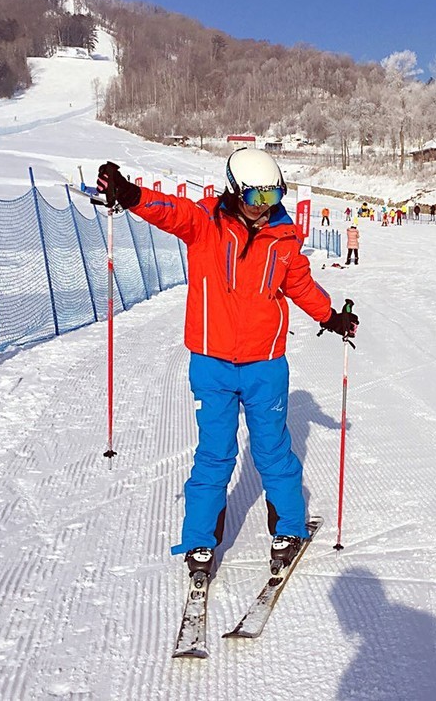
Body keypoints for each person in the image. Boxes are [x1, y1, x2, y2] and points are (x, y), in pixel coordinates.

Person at [95, 149, 359, 580]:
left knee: (272, 449)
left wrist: (330, 316)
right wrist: (130, 194)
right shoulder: (206, 224)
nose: (265, 205)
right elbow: (170, 211)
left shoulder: (285, 238)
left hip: (265, 364)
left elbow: (301, 285)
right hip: (212, 362)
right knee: (215, 453)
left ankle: (289, 528)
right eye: (257, 196)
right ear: (236, 191)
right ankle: (200, 539)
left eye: (274, 195)